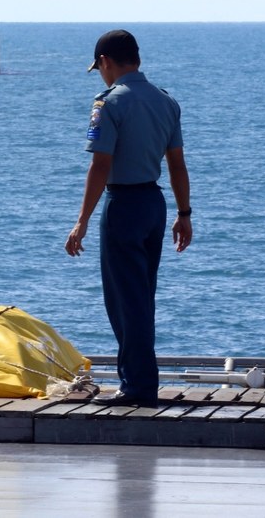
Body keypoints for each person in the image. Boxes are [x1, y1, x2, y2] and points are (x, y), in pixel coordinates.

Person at [65, 29, 192, 408]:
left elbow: (100, 165)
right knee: (142, 296)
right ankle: (140, 379)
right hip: (155, 204)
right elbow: (178, 165)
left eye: (99, 67)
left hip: (122, 206)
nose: (100, 74)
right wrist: (185, 214)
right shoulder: (166, 101)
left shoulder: (110, 103)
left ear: (105, 61)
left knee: (125, 301)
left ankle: (137, 386)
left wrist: (81, 221)